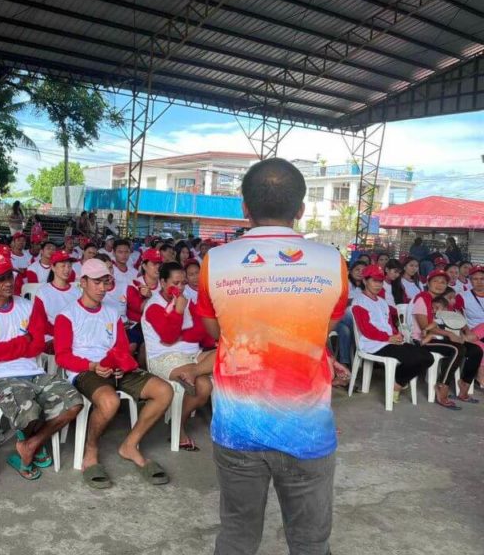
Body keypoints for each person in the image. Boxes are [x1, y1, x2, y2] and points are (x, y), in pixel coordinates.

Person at [197, 158, 348, 555]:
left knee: (237, 537)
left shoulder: (215, 263)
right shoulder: (333, 263)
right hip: (308, 428)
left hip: (237, 427)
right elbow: (327, 327)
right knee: (311, 541)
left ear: (244, 208)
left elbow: (214, 331)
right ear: (300, 209)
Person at [54, 258, 173, 488]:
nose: (102, 288)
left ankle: (130, 444)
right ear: (83, 282)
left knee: (164, 391)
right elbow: (62, 356)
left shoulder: (111, 312)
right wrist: (92, 365)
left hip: (114, 366)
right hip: (85, 369)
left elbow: (120, 344)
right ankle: (90, 450)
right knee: (109, 402)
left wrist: (121, 364)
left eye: (105, 282)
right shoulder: (67, 315)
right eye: (97, 282)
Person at [0, 251, 83, 480]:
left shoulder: (28, 306)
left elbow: (37, 345)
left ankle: (30, 444)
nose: (8, 282)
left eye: (9, 276)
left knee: (75, 401)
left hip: (33, 371)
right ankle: (31, 443)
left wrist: (5, 350)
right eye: (0, 278)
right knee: (31, 411)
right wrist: (24, 341)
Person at [141, 262, 213, 450]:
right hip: (164, 358)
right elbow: (168, 337)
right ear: (163, 282)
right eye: (176, 283)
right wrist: (179, 312)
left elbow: (199, 331)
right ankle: (178, 425)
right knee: (204, 385)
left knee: (226, 353)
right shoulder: (153, 306)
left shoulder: (185, 298)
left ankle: (194, 373)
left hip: (192, 355)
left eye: (183, 283)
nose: (180, 287)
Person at [352, 265, 433, 403]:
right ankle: (396, 386)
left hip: (389, 340)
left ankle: (397, 383)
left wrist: (397, 334)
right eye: (374, 281)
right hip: (373, 344)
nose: (378, 285)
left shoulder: (383, 302)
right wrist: (388, 338)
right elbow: (367, 329)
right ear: (365, 281)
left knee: (427, 357)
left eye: (380, 281)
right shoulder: (359, 301)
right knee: (412, 359)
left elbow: (389, 324)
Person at [412, 268, 482, 409]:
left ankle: (464, 384)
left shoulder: (443, 301)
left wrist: (460, 332)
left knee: (476, 350)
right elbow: (425, 325)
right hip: (424, 339)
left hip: (441, 337)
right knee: (457, 349)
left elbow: (453, 321)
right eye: (435, 281)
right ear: (428, 283)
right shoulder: (422, 298)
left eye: (443, 282)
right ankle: (442, 386)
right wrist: (450, 335)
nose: (439, 284)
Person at [31, 250, 80, 353]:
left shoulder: (76, 292)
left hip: (75, 336)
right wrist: (63, 334)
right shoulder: (43, 292)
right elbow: (41, 323)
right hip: (52, 336)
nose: (67, 269)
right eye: (63, 266)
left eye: (69, 266)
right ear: (53, 267)